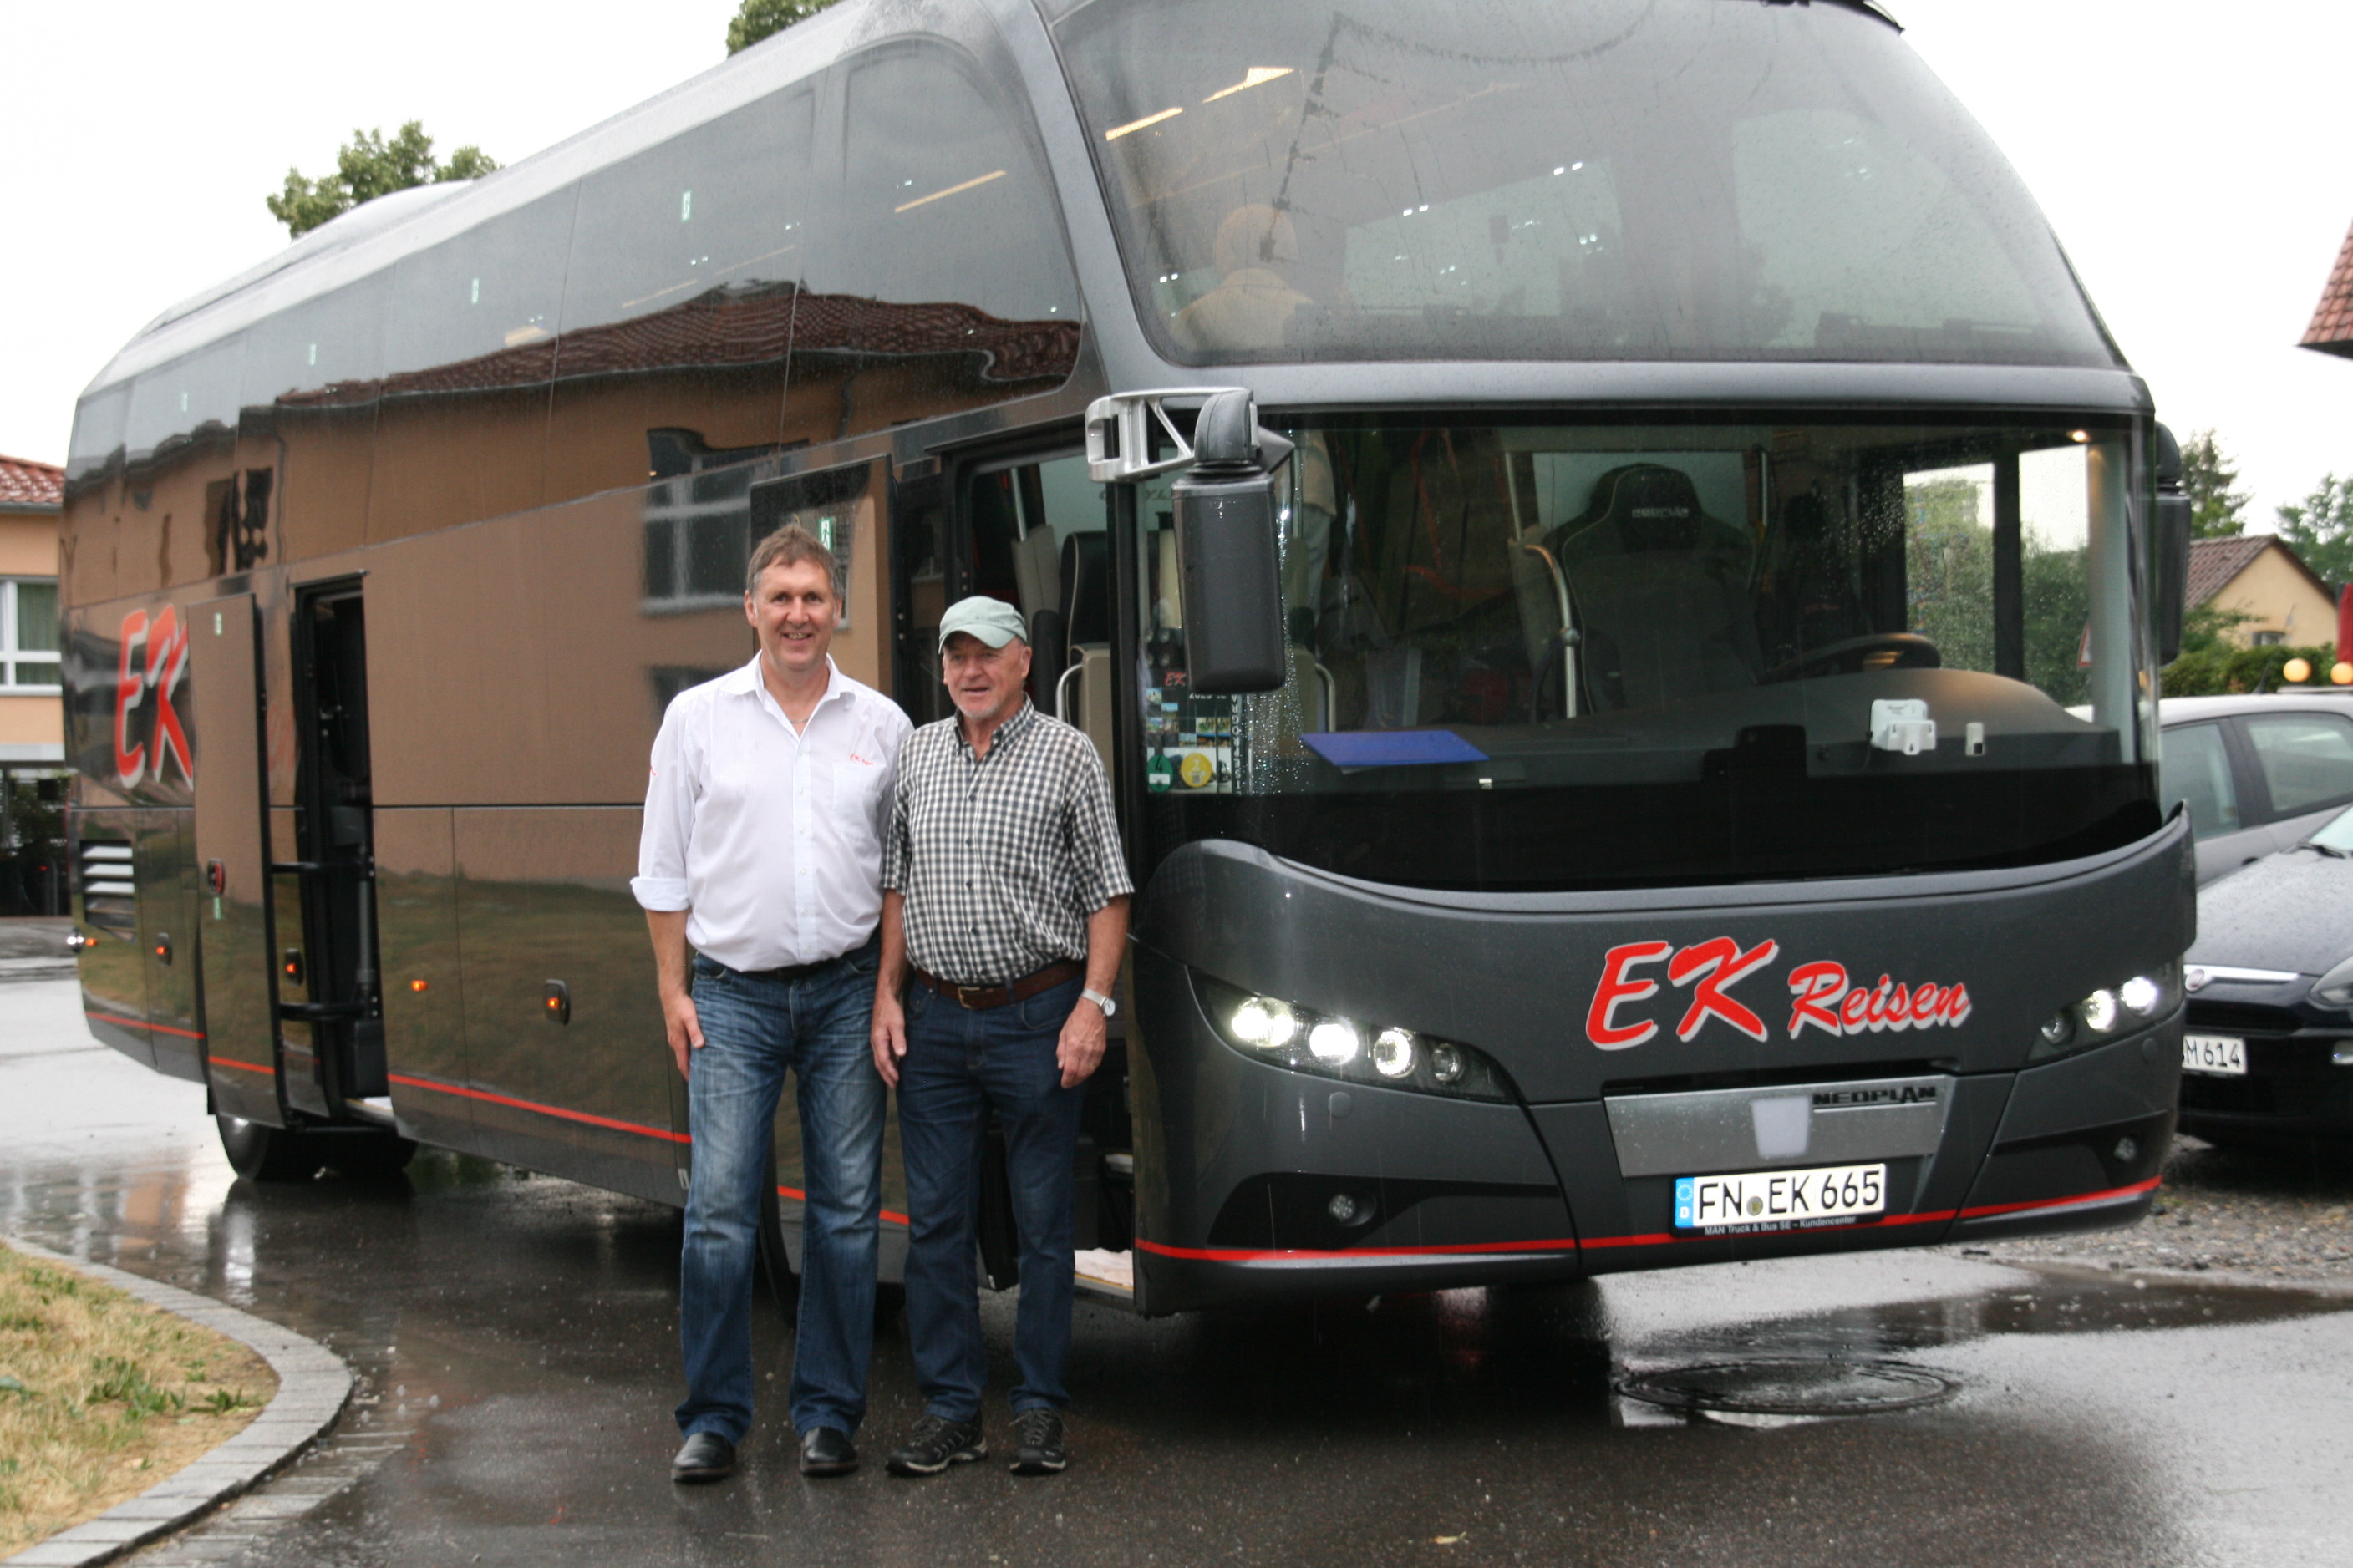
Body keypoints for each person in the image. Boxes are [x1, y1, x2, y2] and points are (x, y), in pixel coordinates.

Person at [633, 523, 912, 1484]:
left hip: (844, 993)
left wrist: (885, 990)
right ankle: (713, 1416)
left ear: (838, 610)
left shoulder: (882, 726)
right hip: (732, 997)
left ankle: (828, 1413)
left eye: (814, 596)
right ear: (750, 608)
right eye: (780, 596)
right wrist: (673, 990)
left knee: (842, 1214)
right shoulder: (696, 719)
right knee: (716, 1210)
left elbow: (898, 881)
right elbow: (662, 871)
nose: (798, 613)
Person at [869, 596, 1132, 1478]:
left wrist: (1093, 1004)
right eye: (955, 657)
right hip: (937, 1021)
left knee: (1041, 1225)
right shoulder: (914, 755)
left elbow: (1107, 892)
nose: (970, 671)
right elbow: (896, 886)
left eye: (987, 654)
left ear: (1024, 660)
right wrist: (887, 997)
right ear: (941, 668)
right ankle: (951, 1409)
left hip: (1038, 1018)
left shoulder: (1068, 755)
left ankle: (1038, 1410)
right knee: (936, 1224)